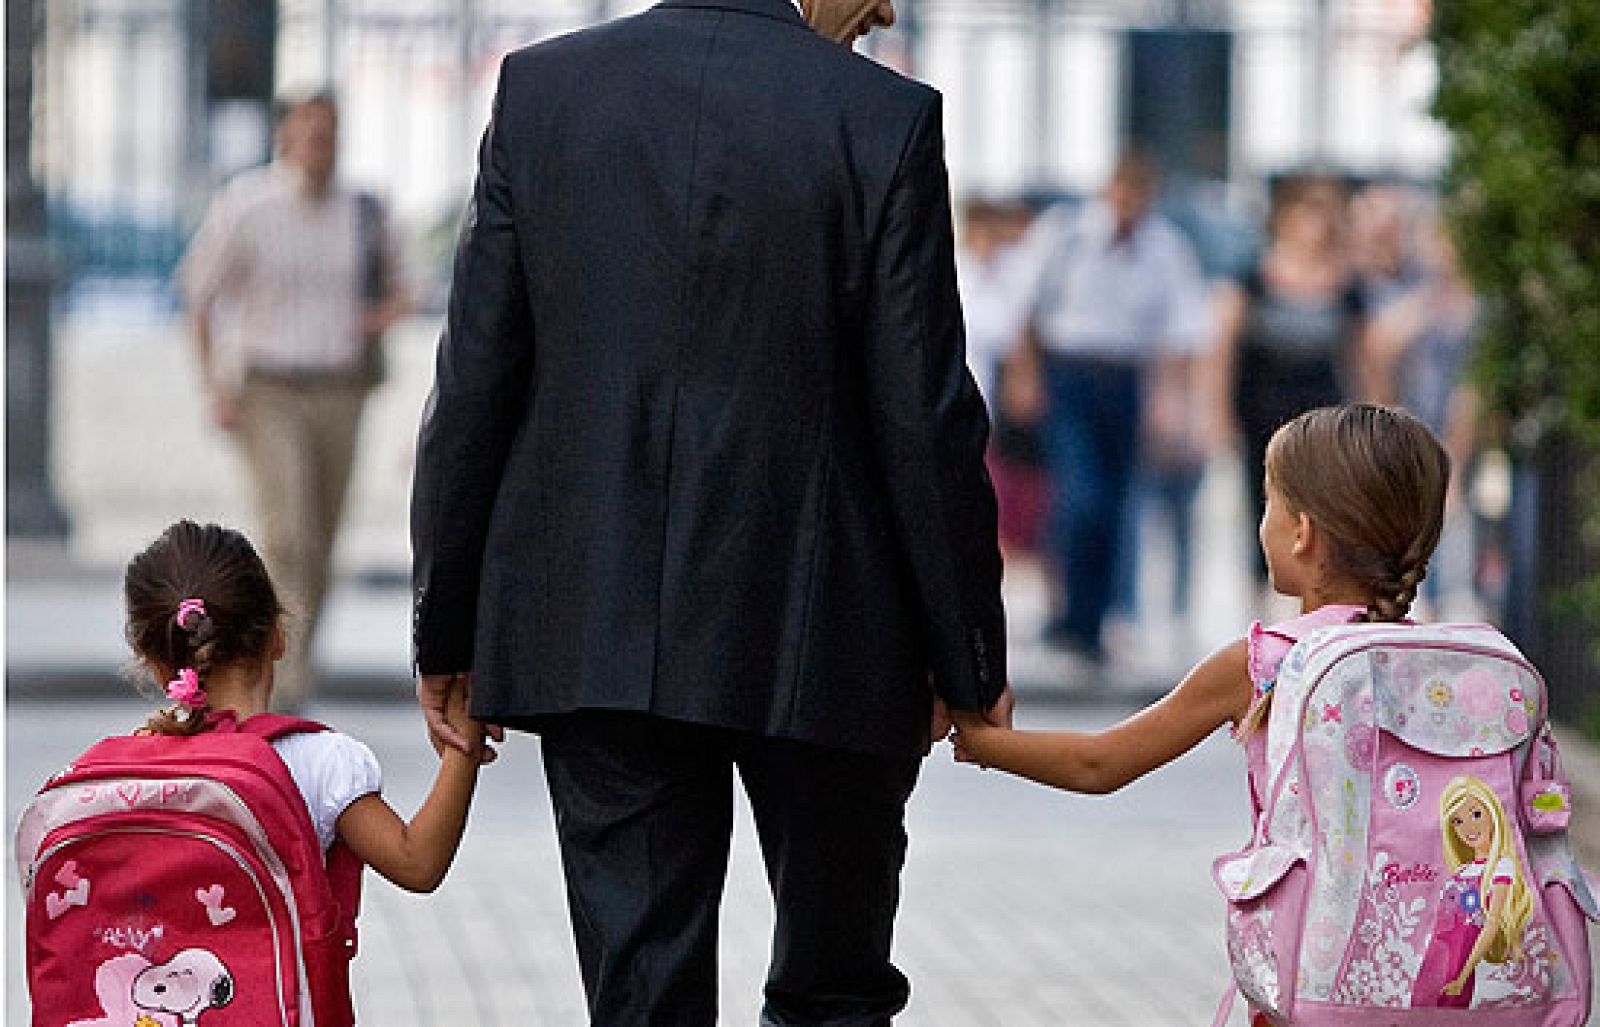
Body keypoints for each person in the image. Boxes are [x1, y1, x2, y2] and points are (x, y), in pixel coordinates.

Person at [410, 1, 1012, 1024]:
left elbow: (474, 378)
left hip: (595, 622)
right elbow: (925, 412)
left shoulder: (545, 94)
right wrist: (967, 655)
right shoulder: (881, 118)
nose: (885, 11)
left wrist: (449, 623)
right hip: (826, 631)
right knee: (834, 991)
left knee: (641, 995)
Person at [951, 402, 1447, 891]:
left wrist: (981, 739)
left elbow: (1098, 764)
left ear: (1302, 534)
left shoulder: (1268, 662)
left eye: (1269, 501)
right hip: (1432, 955)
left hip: (1308, 963)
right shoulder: (1442, 666)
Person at [179, 91, 410, 710]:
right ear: (285, 136)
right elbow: (198, 294)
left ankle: (300, 660)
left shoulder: (363, 210)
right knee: (288, 535)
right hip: (268, 387)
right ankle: (280, 682)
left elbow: (404, 288)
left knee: (324, 536)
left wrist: (376, 317)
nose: (318, 144)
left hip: (339, 387)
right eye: (308, 130)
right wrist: (214, 386)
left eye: (328, 132)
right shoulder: (249, 204)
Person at [126, 520, 489, 892]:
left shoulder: (127, 775)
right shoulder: (320, 763)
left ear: (157, 668)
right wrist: (464, 744)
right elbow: (417, 864)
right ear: (278, 637)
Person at [1018, 153, 1213, 665]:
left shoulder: (1165, 249)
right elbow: (1028, 309)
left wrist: (1169, 402)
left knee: (1117, 504)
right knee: (1079, 498)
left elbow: (1180, 331)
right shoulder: (1066, 236)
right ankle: (1069, 612)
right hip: (1071, 375)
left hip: (1125, 379)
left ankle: (1095, 620)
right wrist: (1027, 379)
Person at [1213, 174, 1375, 594]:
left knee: (1322, 500)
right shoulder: (1255, 275)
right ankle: (1261, 580)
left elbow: (1361, 353)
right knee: (1262, 496)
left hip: (1322, 404)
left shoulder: (1346, 283)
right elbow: (1225, 342)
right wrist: (1218, 409)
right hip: (1263, 405)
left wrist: (1371, 411)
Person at [1410, 776, 1534, 1008]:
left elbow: (1491, 924)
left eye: (1476, 814)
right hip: (1434, 959)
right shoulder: (1464, 870)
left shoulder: (1500, 867)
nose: (1467, 828)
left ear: (1492, 814)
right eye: (1457, 821)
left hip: (1459, 962)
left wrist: (1463, 975)